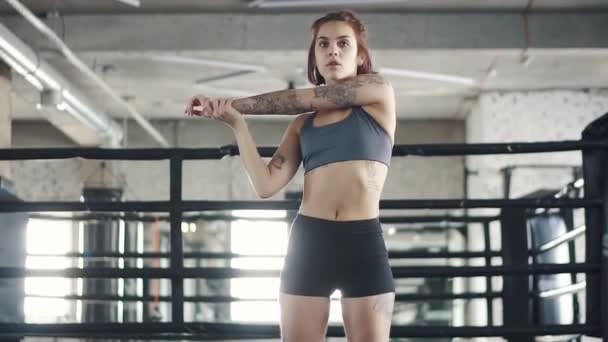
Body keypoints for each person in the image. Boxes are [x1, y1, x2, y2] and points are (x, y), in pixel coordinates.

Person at [185, 9, 396, 342]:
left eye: (343, 44)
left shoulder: (377, 94)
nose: (333, 51)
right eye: (323, 44)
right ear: (314, 56)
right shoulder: (303, 125)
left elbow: (298, 98)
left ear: (360, 56)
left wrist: (234, 104)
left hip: (363, 242)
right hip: (310, 242)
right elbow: (266, 185)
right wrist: (236, 124)